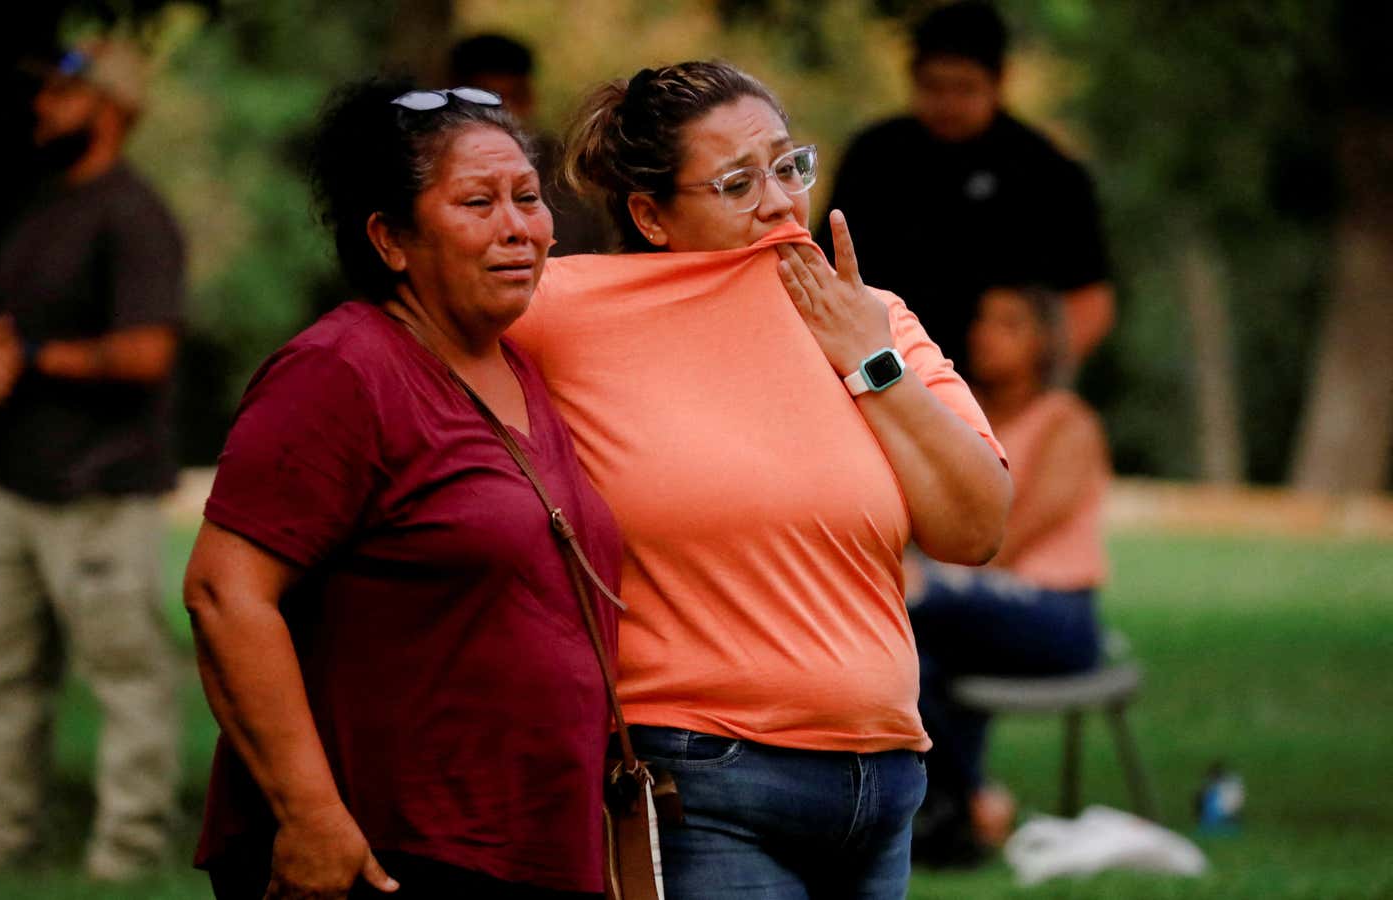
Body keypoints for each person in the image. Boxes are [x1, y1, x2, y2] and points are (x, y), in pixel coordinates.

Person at [506, 60, 1013, 899]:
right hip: (704, 774)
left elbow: (976, 528)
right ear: (649, 215)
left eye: (788, 166)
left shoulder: (870, 316)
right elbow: (415, 318)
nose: (779, 200)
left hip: (883, 779)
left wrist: (869, 358)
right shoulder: (565, 310)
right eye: (738, 182)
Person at [184, 79, 621, 900]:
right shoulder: (341, 370)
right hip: (390, 854)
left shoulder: (520, 367)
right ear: (389, 238)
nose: (518, 228)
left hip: (533, 846)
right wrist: (311, 816)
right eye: (477, 202)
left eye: (528, 197)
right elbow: (223, 594)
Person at [0, 37, 185, 881]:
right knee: (4, 679)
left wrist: (35, 357)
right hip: (13, 483)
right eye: (42, 95)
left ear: (109, 108)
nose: (42, 108)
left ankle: (128, 854)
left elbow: (148, 352)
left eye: (59, 95)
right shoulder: (43, 204)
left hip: (99, 487)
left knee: (125, 677)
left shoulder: (135, 214)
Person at [907, 284, 1111, 865]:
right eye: (982, 319)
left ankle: (969, 799)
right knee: (910, 659)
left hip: (1058, 617)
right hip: (969, 609)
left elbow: (1004, 537)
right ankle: (961, 809)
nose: (982, 333)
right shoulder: (958, 413)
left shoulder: (1067, 423)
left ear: (1045, 341)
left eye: (1008, 323)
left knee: (905, 601)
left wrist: (934, 572)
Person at [816, 0, 1114, 372]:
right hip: (879, 372)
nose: (948, 104)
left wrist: (1032, 383)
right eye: (934, 87)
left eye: (965, 88)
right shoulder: (874, 156)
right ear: (913, 77)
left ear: (998, 81)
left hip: (994, 394)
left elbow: (1089, 299)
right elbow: (825, 269)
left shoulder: (1046, 172)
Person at [449, 33, 614, 254]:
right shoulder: (434, 169)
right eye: (488, 102)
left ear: (529, 97)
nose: (505, 113)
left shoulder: (568, 174)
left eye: (514, 98)